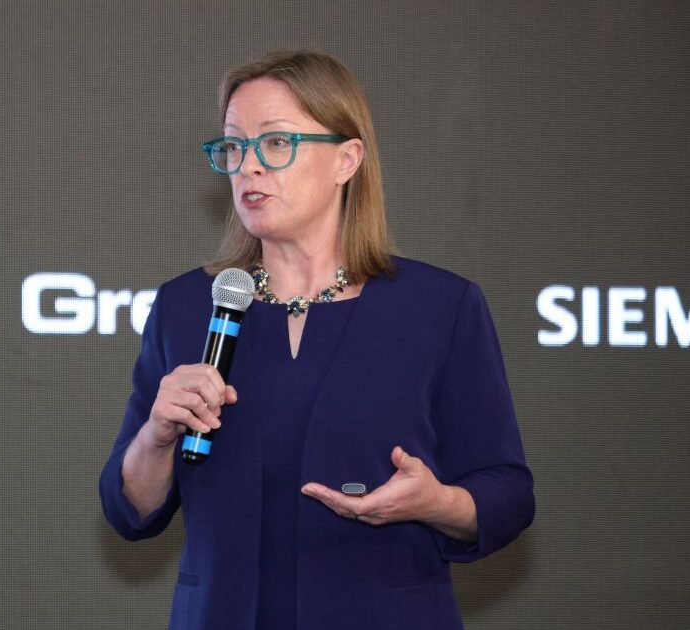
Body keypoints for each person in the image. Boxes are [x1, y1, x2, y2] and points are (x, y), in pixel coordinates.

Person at [99, 50, 534, 630]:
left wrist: (437, 503)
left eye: (275, 143)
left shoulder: (439, 307)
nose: (248, 167)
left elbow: (508, 493)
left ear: (346, 159)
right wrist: (156, 436)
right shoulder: (186, 307)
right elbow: (131, 511)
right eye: (233, 147)